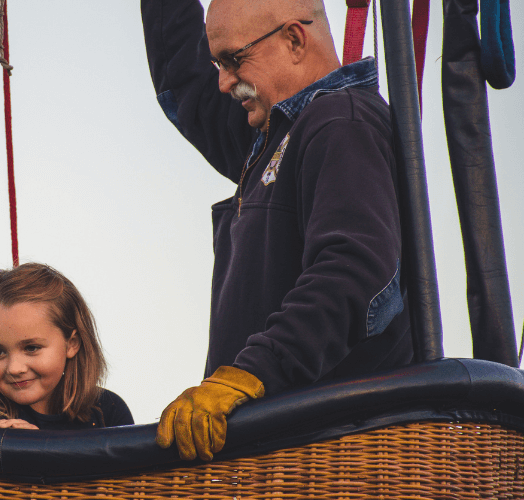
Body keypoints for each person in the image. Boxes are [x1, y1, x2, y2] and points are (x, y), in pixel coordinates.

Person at [142, 0, 413, 461]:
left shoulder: (339, 122)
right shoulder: (275, 137)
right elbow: (187, 86)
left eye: (233, 60)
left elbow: (355, 272)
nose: (224, 81)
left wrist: (251, 374)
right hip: (283, 445)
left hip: (335, 451)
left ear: (294, 39)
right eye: (218, 63)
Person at [0, 263, 133, 430]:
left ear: (72, 344)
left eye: (31, 348)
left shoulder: (107, 412)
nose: (14, 368)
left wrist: (39, 453)